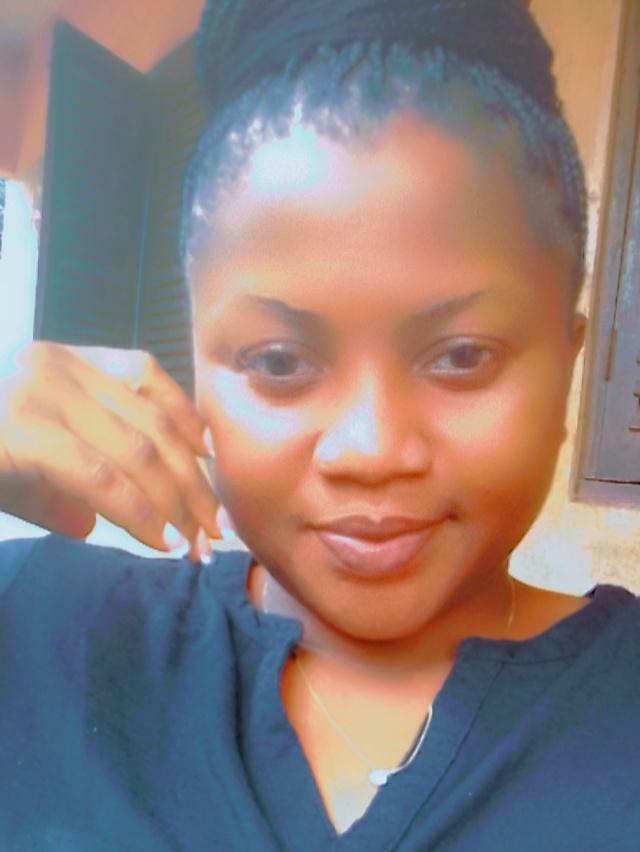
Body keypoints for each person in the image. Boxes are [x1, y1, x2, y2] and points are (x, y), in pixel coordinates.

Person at [0, 0, 638, 849]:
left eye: (461, 356)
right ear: (196, 361)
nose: (370, 450)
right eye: (277, 362)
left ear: (567, 358)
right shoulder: (41, 627)